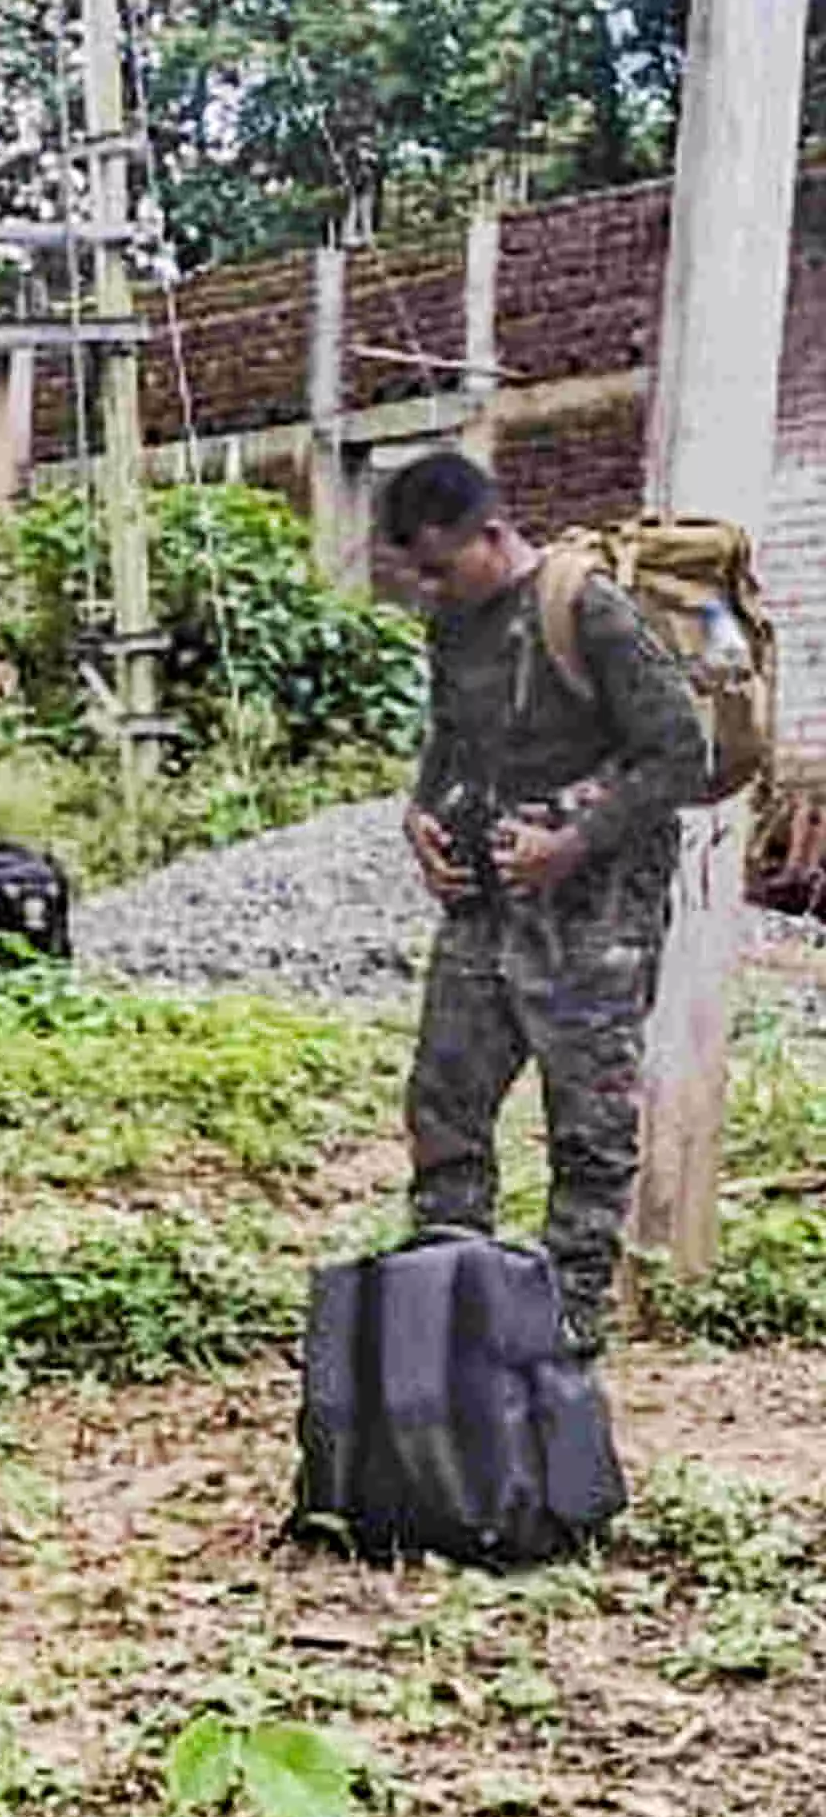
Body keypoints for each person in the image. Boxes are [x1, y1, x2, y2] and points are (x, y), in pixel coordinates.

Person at [384, 449, 709, 1349]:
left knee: (589, 1132)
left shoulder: (588, 608)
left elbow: (683, 753)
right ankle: (447, 1308)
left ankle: (567, 1336)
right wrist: (421, 820)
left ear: (493, 535)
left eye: (440, 567)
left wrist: (571, 844)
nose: (428, 589)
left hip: (595, 918)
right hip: (486, 910)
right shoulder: (452, 624)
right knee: (444, 1106)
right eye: (415, 573)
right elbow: (449, 743)